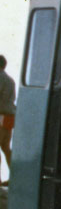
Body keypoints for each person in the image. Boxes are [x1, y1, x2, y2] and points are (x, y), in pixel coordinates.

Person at [0, 55, 14, 186]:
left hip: (0, 115)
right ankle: (15, 176)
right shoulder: (10, 80)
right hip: (9, 116)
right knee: (6, 147)